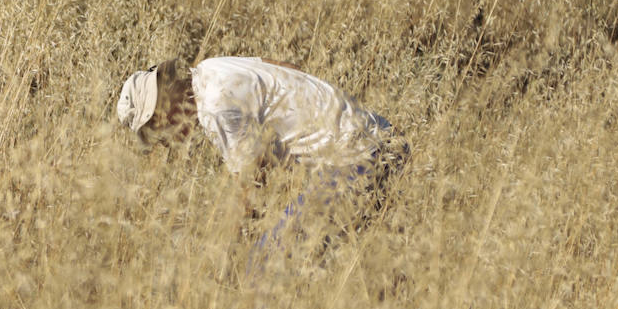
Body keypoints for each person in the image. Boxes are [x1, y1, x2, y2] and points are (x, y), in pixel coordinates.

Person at [116, 56, 407, 270]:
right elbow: (289, 67)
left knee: (264, 263)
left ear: (163, 105)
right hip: (382, 137)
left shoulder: (215, 107)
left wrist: (222, 251)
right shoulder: (214, 68)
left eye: (156, 130)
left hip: (356, 159)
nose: (165, 140)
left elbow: (252, 184)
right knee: (358, 266)